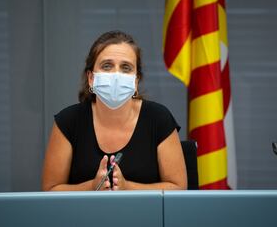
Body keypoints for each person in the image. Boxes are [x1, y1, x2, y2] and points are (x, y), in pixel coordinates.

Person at [42, 30, 187, 191]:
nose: (116, 75)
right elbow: (50, 190)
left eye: (125, 68)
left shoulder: (159, 118)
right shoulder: (68, 121)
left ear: (136, 81)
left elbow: (178, 188)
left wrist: (128, 188)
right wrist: (91, 186)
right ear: (91, 78)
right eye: (107, 66)